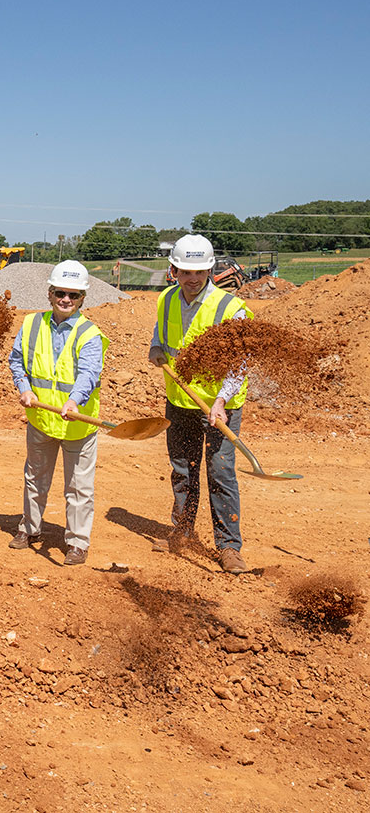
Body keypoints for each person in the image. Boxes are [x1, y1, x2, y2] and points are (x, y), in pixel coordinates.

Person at [148, 234, 252, 574]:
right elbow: (161, 335)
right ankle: (183, 533)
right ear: (174, 270)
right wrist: (156, 348)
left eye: (199, 272)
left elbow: (239, 362)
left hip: (222, 406)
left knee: (220, 473)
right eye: (185, 271)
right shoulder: (166, 299)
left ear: (210, 270)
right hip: (180, 402)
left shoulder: (230, 308)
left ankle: (229, 548)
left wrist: (221, 400)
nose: (192, 279)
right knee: (182, 470)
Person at [7, 260, 109, 566]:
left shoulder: (90, 333)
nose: (66, 299)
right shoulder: (31, 324)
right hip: (41, 419)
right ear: (50, 293)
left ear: (82, 299)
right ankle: (29, 528)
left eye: (73, 295)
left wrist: (75, 400)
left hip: (77, 424)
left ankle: (77, 542)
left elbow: (89, 373)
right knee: (35, 477)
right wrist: (24, 388)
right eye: (61, 292)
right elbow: (16, 361)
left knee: (78, 486)